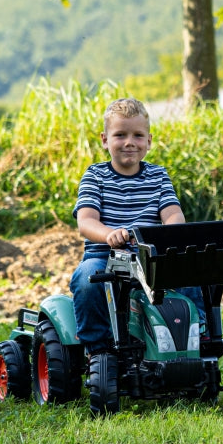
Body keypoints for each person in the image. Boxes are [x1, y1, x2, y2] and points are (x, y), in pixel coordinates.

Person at [69, 97, 205, 356]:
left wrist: (170, 232)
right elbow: (85, 221)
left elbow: (174, 214)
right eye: (120, 134)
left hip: (151, 257)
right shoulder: (95, 175)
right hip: (105, 257)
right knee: (87, 278)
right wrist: (109, 234)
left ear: (149, 141)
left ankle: (197, 334)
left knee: (190, 269)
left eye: (138, 135)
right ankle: (98, 349)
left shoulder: (158, 175)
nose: (130, 142)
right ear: (105, 139)